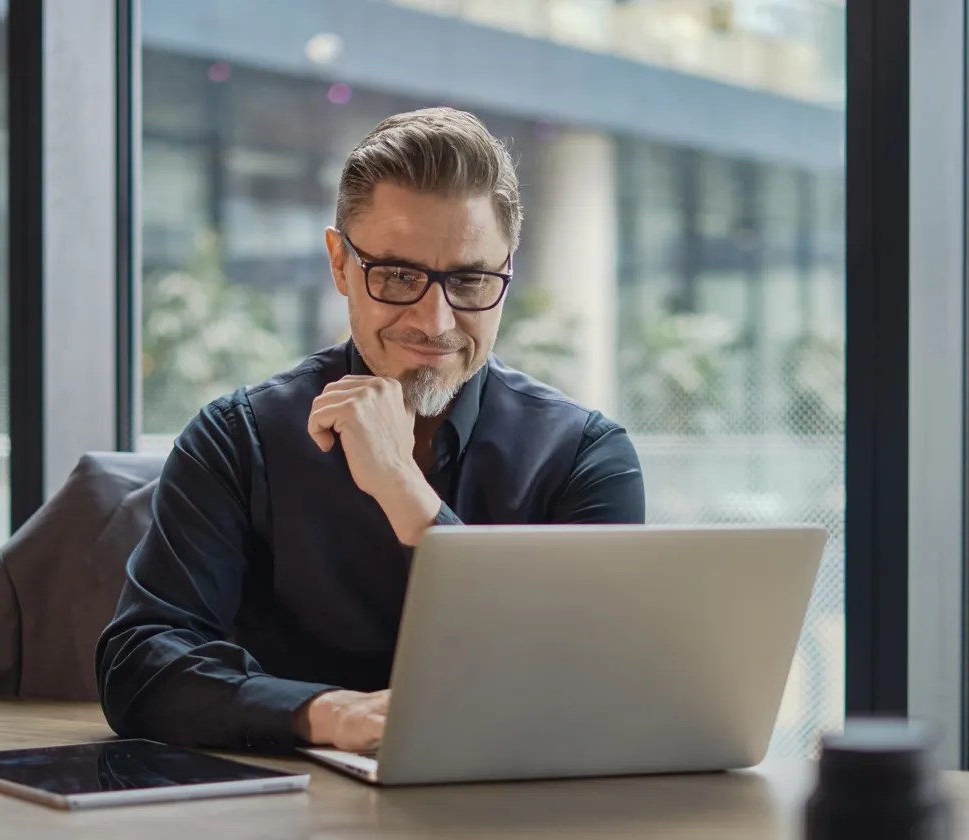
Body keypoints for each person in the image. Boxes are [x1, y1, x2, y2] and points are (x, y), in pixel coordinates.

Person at [96, 107, 645, 754]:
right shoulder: (238, 439)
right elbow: (139, 667)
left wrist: (404, 492)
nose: (435, 320)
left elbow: (589, 685)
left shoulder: (587, 458)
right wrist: (327, 716)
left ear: (507, 273)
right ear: (339, 264)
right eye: (398, 276)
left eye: (469, 280)